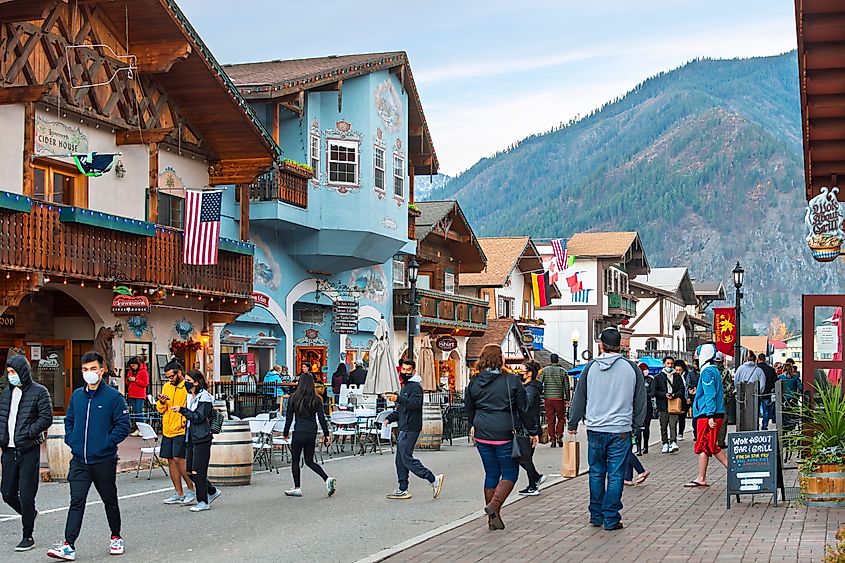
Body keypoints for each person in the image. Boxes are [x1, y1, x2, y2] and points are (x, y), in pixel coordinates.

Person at [47, 351, 130, 560]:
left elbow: (123, 426)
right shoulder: (77, 396)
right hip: (80, 461)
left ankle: (116, 536)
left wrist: (106, 443)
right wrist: (72, 440)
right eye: (85, 369)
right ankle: (69, 545)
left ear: (102, 370)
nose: (89, 373)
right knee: (76, 502)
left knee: (110, 500)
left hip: (104, 460)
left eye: (93, 369)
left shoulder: (113, 397)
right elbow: (69, 420)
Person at [568, 328, 646, 531]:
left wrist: (573, 422)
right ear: (620, 344)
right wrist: (637, 425)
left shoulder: (590, 368)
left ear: (601, 345)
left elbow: (579, 397)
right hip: (620, 428)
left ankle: (596, 515)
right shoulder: (632, 368)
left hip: (595, 427)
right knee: (616, 474)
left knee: (595, 473)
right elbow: (640, 400)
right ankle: (611, 518)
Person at [465, 345, 536, 530]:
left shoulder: (474, 381)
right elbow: (524, 408)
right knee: (510, 473)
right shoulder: (511, 380)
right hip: (505, 431)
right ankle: (494, 506)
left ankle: (492, 519)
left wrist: (477, 423)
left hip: (482, 432)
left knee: (491, 473)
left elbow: (469, 408)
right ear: (501, 359)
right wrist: (533, 430)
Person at [0, 354, 52, 552]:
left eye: (14, 372)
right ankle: (29, 513)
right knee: (7, 493)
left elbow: (46, 417)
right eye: (9, 372)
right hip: (9, 449)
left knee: (27, 494)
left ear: (23, 371)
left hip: (28, 449)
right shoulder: (7, 393)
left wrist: (29, 432)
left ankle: (27, 536)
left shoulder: (39, 391)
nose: (11, 376)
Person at [383, 359, 444, 501]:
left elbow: (415, 404)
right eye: (403, 369)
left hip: (411, 427)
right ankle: (402, 488)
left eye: (408, 370)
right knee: (400, 459)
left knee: (406, 458)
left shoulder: (415, 387)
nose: (404, 372)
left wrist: (398, 398)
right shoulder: (405, 387)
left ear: (413, 371)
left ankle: (433, 478)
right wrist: (388, 419)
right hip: (405, 427)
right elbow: (401, 410)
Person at [171, 370, 221, 512]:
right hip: (192, 435)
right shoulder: (190, 396)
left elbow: (199, 417)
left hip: (202, 436)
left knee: (198, 470)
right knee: (189, 469)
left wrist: (182, 410)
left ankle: (203, 501)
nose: (186, 382)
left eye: (188, 380)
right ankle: (211, 491)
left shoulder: (205, 397)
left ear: (196, 382)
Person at [282, 373, 336, 497]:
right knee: (309, 461)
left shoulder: (293, 398)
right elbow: (322, 418)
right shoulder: (317, 399)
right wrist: (326, 433)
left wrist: (285, 433)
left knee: (295, 460)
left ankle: (297, 488)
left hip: (299, 431)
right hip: (311, 432)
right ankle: (327, 479)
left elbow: (289, 418)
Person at [685, 343, 727, 488]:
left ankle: (701, 477)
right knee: (711, 445)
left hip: (707, 414)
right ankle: (731, 470)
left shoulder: (707, 372)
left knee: (703, 445)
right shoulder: (714, 371)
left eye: (698, 353)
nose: (696, 356)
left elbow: (710, 394)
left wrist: (709, 415)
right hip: (714, 413)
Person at [155, 359, 195, 506]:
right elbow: (160, 409)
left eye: (171, 376)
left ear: (179, 373)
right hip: (168, 427)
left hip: (182, 427)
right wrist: (162, 402)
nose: (169, 379)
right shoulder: (166, 386)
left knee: (179, 459)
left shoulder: (187, 387)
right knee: (171, 460)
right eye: (167, 377)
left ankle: (191, 489)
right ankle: (178, 492)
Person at [517, 361, 546, 496]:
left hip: (529, 427)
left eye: (522, 371)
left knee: (524, 458)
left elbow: (526, 409)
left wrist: (532, 431)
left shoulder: (530, 389)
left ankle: (533, 484)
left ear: (529, 374)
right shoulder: (529, 388)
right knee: (525, 457)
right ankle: (535, 479)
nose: (519, 373)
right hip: (530, 427)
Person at [538, 353, 570, 448]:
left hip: (548, 398)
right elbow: (567, 387)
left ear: (550, 360)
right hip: (559, 398)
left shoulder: (544, 371)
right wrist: (567, 398)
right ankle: (559, 434)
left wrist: (541, 394)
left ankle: (552, 438)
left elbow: (540, 384)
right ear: (558, 360)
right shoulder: (563, 371)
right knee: (561, 418)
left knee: (550, 419)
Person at [654, 357, 683, 453]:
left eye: (671, 363)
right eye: (668, 363)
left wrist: (674, 395)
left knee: (673, 424)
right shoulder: (658, 377)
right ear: (664, 364)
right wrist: (664, 395)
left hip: (674, 404)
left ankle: (673, 442)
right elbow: (655, 391)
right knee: (663, 425)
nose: (669, 365)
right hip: (663, 404)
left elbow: (681, 390)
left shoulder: (677, 376)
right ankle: (665, 443)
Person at [125, 356, 149, 437]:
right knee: (135, 413)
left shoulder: (143, 372)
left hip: (140, 395)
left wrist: (135, 380)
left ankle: (142, 429)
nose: (133, 367)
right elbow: (127, 382)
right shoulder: (130, 371)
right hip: (132, 394)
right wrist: (128, 380)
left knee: (139, 412)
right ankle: (138, 428)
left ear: (138, 364)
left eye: (134, 365)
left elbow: (145, 383)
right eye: (131, 366)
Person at [636, 362, 655, 455]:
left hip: (647, 406)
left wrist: (644, 396)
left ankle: (646, 446)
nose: (645, 371)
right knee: (638, 428)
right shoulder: (635, 380)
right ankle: (638, 447)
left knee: (646, 427)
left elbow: (653, 392)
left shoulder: (650, 380)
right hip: (638, 407)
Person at [715, 352, 733, 448]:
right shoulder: (726, 372)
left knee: (712, 419)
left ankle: (712, 441)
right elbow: (729, 387)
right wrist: (726, 398)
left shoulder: (710, 371)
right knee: (723, 421)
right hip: (723, 400)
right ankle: (720, 442)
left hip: (712, 400)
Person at [757, 353, 777, 431]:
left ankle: (756, 426)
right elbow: (775, 380)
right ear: (765, 359)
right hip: (767, 393)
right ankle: (764, 426)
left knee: (756, 410)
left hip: (757, 393)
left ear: (758, 359)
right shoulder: (771, 369)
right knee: (766, 411)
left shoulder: (756, 369)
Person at [674, 360, 689, 441]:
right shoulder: (673, 376)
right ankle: (674, 433)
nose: (678, 372)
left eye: (680, 370)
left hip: (684, 398)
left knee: (682, 417)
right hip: (676, 397)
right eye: (676, 370)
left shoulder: (687, 375)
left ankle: (680, 432)